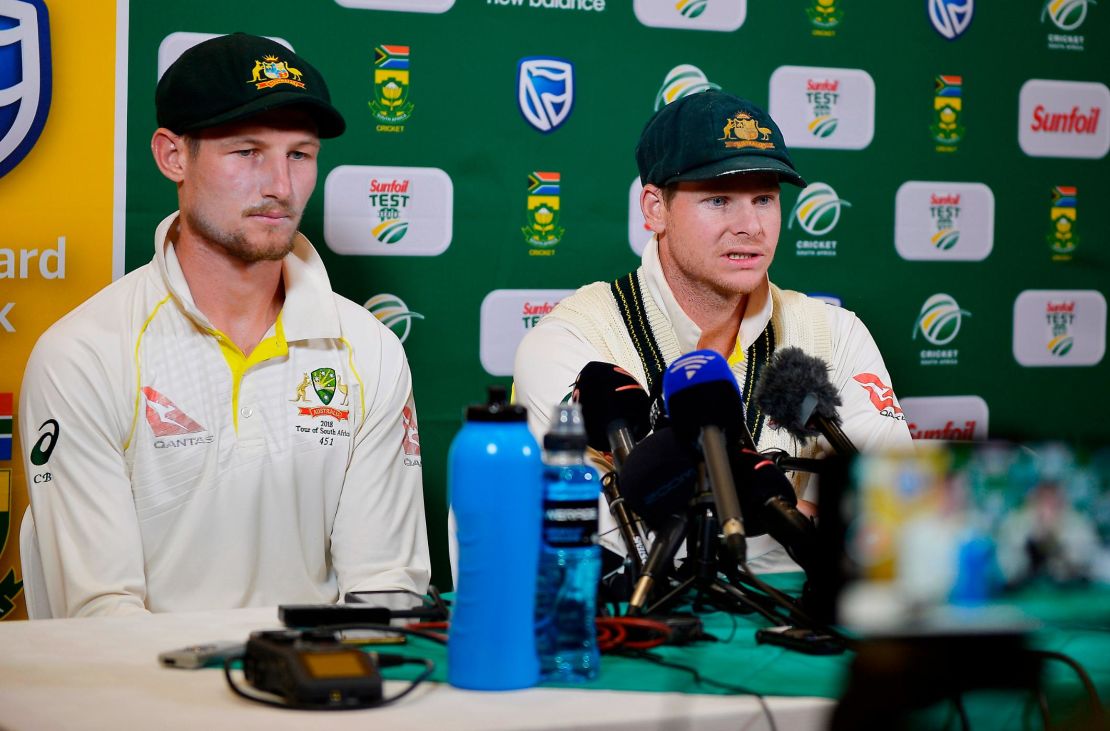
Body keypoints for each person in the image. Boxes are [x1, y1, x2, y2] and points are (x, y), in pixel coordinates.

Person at [18, 33, 430, 617]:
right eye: (246, 152)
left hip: (319, 695)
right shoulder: (83, 354)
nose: (280, 187)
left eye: (300, 154)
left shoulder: (371, 350)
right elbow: (100, 617)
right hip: (140, 700)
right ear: (172, 157)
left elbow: (384, 592)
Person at [513, 89, 913, 571]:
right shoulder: (573, 342)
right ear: (654, 208)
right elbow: (602, 548)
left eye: (764, 198)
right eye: (719, 199)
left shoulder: (835, 335)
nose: (750, 226)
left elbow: (897, 524)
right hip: (640, 639)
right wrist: (801, 522)